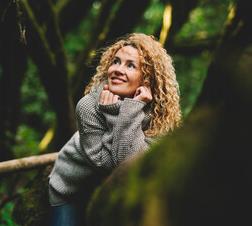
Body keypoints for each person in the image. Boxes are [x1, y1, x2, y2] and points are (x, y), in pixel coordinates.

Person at [48, 33, 181, 225]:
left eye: (130, 65)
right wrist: (115, 114)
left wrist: (129, 110)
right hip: (72, 189)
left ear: (148, 78)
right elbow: (111, 165)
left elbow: (136, 166)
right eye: (116, 61)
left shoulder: (160, 114)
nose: (118, 69)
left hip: (118, 193)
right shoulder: (88, 106)